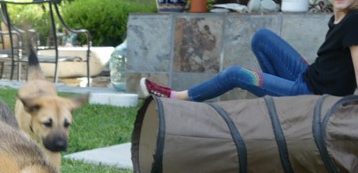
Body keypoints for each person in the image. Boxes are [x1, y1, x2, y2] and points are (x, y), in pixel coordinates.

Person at [139, 0, 358, 101]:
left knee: (236, 74)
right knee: (262, 37)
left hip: (312, 95)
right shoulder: (340, 18)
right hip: (308, 78)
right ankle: (278, 101)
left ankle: (176, 97)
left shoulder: (355, 21)